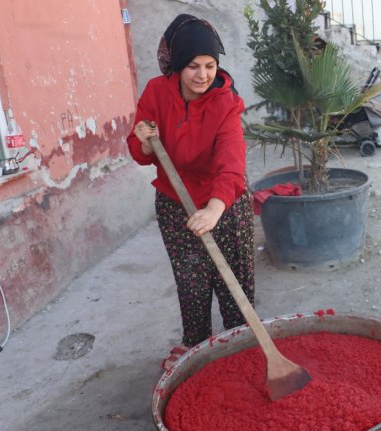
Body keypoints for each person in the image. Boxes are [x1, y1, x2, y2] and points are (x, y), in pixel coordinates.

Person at [127, 14, 254, 371]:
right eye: (193, 66)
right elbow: (138, 153)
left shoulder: (227, 102)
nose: (203, 75)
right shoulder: (156, 92)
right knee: (190, 278)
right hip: (174, 200)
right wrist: (146, 142)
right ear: (178, 66)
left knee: (234, 279)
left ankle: (240, 344)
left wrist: (214, 209)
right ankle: (196, 346)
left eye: (210, 65)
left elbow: (232, 164)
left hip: (224, 200)